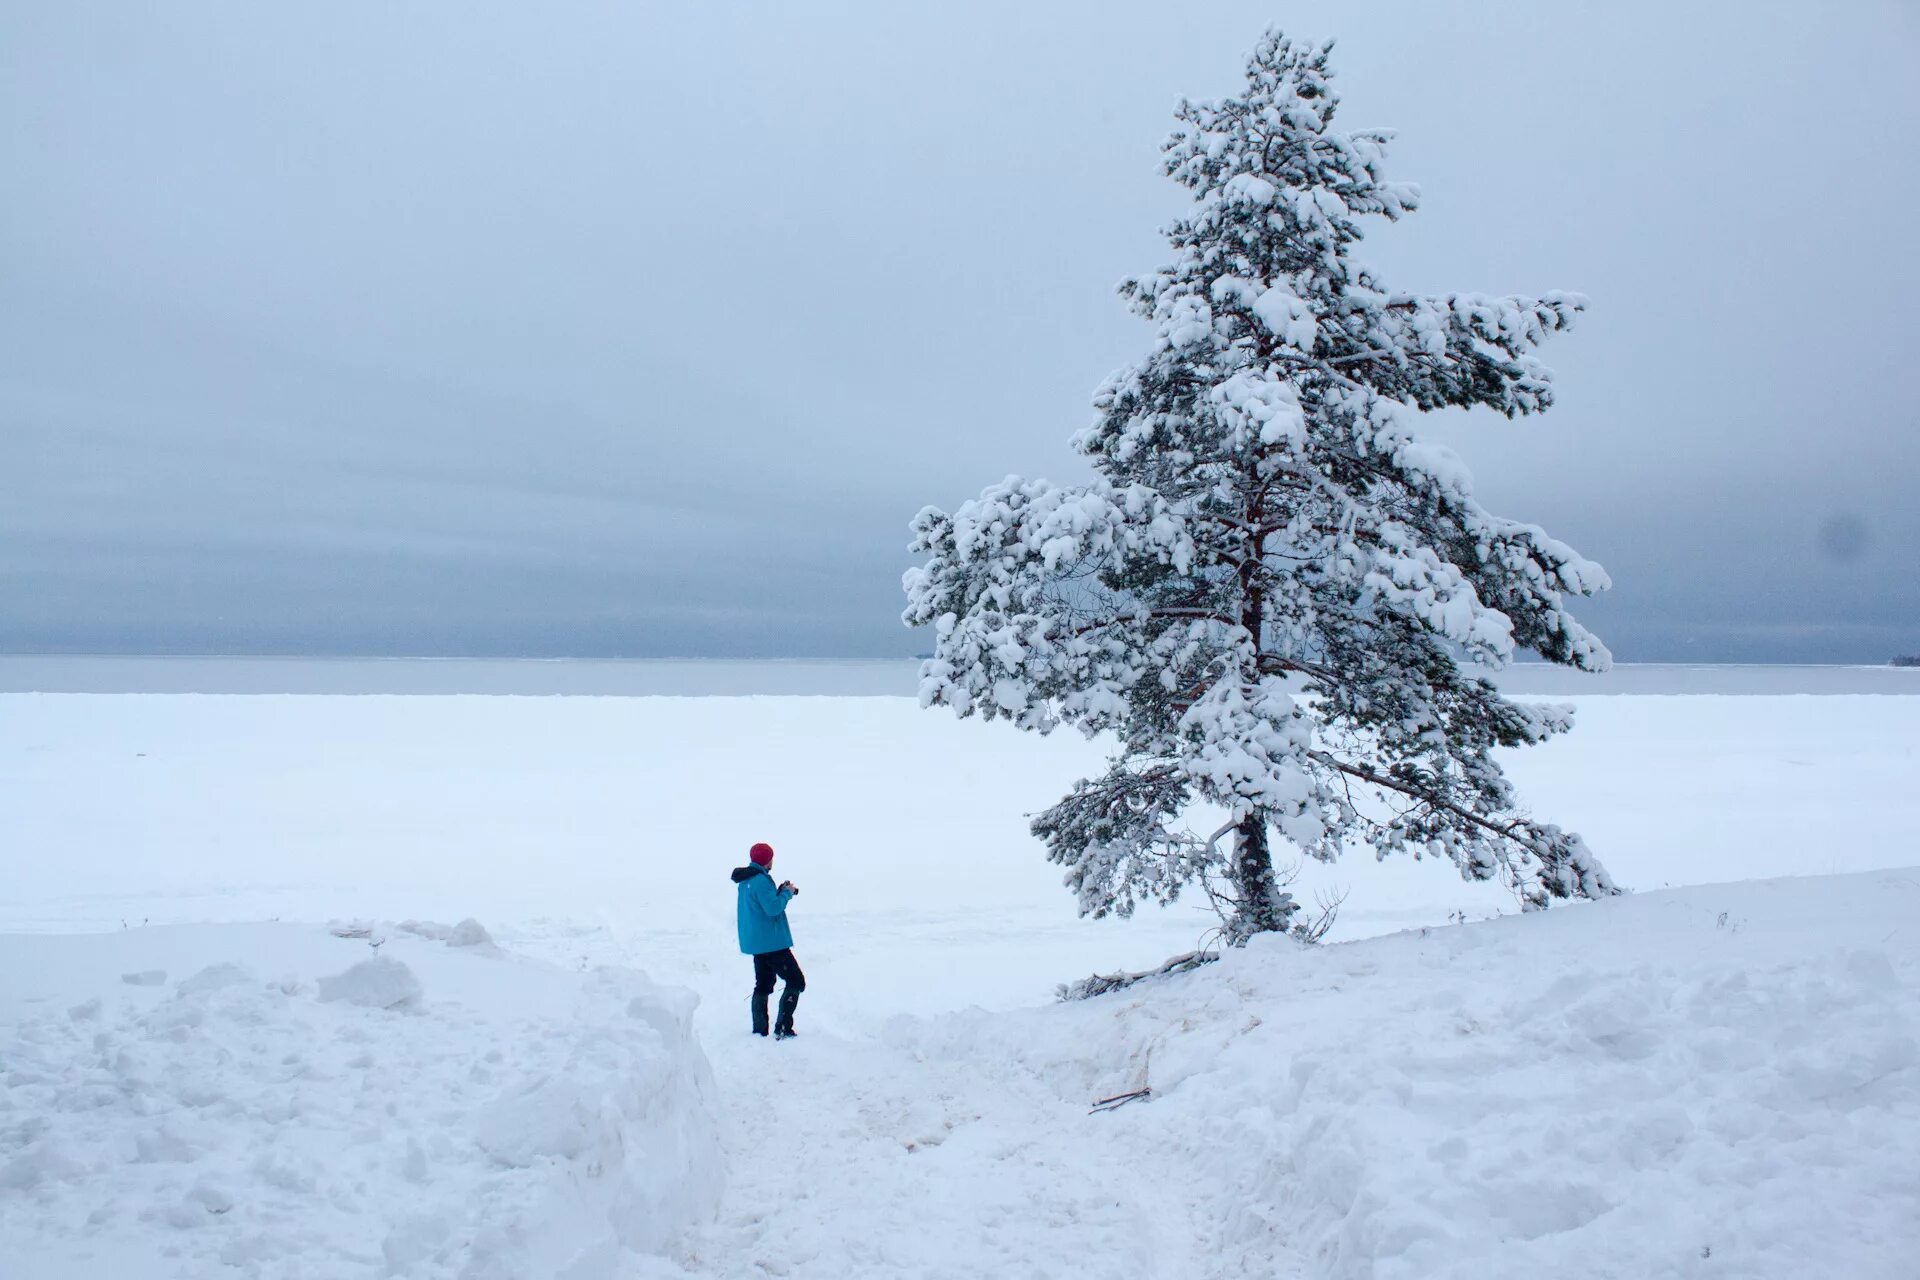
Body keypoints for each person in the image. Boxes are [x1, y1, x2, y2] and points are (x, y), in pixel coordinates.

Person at [731, 841, 804, 1039]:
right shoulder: (761, 881)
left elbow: (761, 905)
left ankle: (759, 1029)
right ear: (767, 860)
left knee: (763, 984)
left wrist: (778, 891)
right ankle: (783, 1027)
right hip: (772, 944)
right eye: (771, 857)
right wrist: (787, 893)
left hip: (757, 943)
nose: (772, 861)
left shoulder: (746, 880)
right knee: (796, 981)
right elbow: (773, 909)